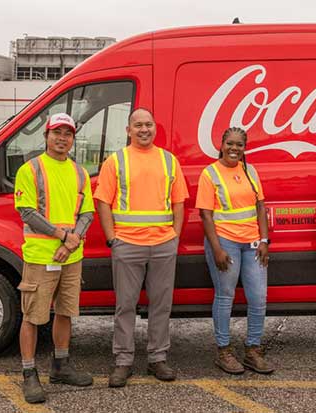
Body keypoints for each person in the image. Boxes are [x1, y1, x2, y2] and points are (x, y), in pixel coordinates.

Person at [95, 108, 188, 388]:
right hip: (127, 245)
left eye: (148, 124)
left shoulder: (168, 160)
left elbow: (179, 202)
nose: (144, 129)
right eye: (138, 125)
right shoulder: (116, 161)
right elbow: (102, 201)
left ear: (155, 129)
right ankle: (123, 362)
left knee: (161, 306)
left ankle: (157, 358)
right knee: (125, 306)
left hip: (162, 244)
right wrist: (113, 238)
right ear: (128, 130)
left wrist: (175, 237)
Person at [14, 112, 95, 404]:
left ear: (73, 139)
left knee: (65, 311)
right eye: (56, 133)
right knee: (33, 316)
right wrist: (63, 236)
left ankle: (60, 366)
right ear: (46, 136)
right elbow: (27, 212)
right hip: (40, 256)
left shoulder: (80, 172)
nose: (62, 138)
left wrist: (71, 243)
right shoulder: (31, 169)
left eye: (68, 134)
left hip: (71, 257)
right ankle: (29, 373)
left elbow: (87, 213)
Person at [196, 127, 274, 375]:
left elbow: (260, 206)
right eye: (230, 143)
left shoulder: (250, 171)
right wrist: (217, 248)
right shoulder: (210, 173)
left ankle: (253, 350)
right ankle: (224, 351)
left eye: (239, 145)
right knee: (225, 295)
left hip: (252, 243)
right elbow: (205, 215)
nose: (234, 149)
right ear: (221, 144)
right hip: (225, 242)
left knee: (258, 297)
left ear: (244, 147)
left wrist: (264, 240)